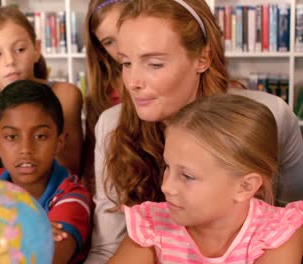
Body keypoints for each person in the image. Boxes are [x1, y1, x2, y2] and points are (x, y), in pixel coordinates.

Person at [87, 0, 303, 262]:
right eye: (126, 63)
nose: (132, 83)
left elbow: (289, 224)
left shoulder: (268, 117)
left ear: (203, 58)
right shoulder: (112, 126)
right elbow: (107, 246)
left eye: (154, 64)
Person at [109, 94, 303, 263]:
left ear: (244, 187)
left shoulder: (277, 233)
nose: (166, 187)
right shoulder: (151, 226)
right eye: (168, 166)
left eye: (187, 176)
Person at [0, 80, 92, 264]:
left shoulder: (72, 198)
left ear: (59, 142)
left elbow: (44, 257)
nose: (26, 149)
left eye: (40, 136)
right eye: (12, 137)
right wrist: (29, 229)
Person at [0, 6, 83, 175]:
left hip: (61, 195)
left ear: (36, 49)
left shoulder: (65, 95)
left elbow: (72, 168)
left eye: (20, 50)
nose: (10, 61)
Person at [82, 0, 127, 193]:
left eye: (124, 31)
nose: (121, 47)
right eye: (109, 42)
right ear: (101, 50)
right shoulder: (101, 98)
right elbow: (92, 168)